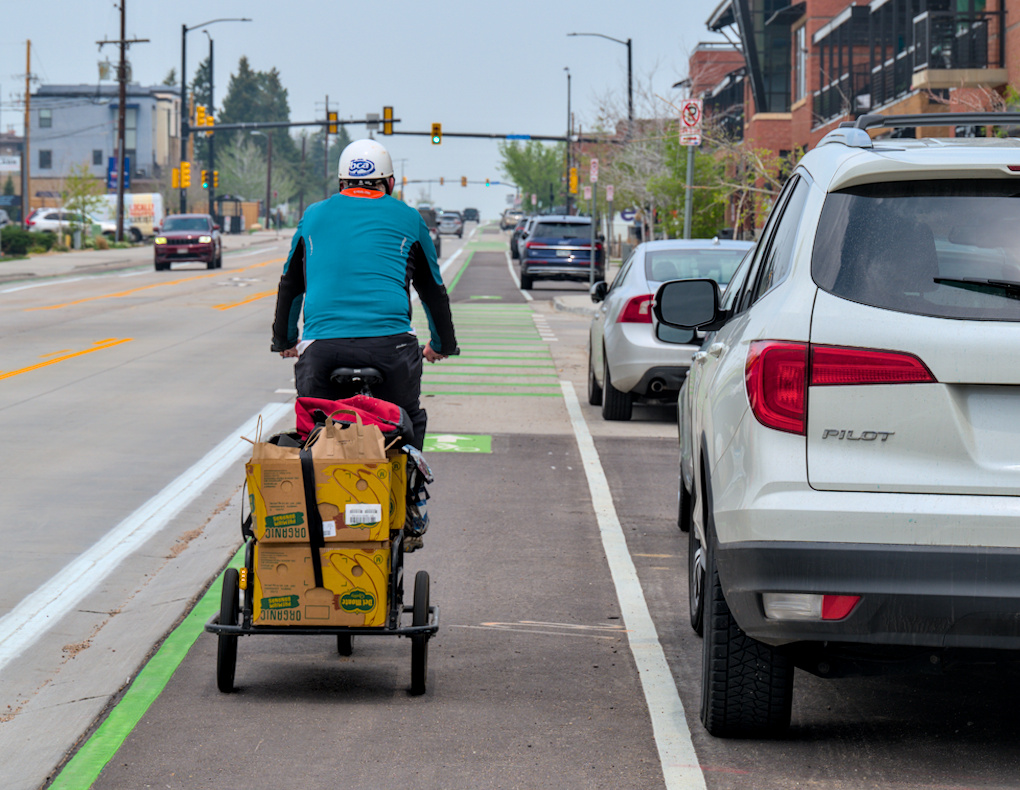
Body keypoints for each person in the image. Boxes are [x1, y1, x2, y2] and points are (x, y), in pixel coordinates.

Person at [271, 139, 458, 450]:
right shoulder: (410, 218)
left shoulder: (313, 216)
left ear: (341, 183)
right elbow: (432, 291)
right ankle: (407, 492)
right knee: (405, 424)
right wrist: (442, 345)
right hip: (392, 349)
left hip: (322, 351)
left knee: (315, 438)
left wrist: (285, 340)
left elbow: (291, 285)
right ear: (390, 183)